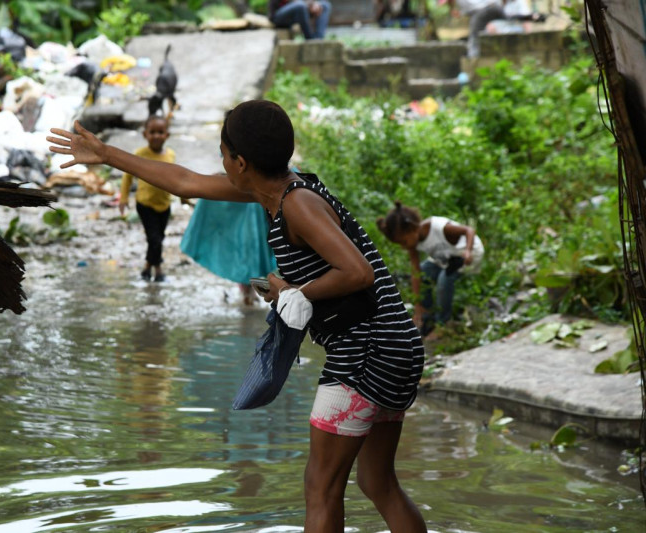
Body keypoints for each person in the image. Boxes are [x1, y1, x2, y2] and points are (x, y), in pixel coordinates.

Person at [48, 99, 426, 532]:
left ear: (241, 162)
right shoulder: (274, 189)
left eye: (223, 154)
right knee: (377, 481)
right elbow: (186, 182)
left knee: (320, 488)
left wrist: (292, 293)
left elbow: (356, 272)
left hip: (368, 354)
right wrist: (108, 154)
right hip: (397, 347)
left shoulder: (297, 204)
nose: (220, 163)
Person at [377, 202, 484, 336]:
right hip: (445, 259)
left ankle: (442, 323)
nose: (404, 247)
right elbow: (416, 272)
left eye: (404, 242)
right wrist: (417, 305)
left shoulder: (438, 227)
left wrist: (468, 251)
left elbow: (469, 230)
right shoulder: (413, 243)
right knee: (424, 272)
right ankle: (427, 316)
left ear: (412, 229)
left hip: (467, 254)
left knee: (444, 281)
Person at [180, 198, 277, 305]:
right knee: (249, 241)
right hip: (247, 201)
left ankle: (247, 291)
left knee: (249, 241)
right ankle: (248, 291)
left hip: (251, 200)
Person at [119, 114, 175, 282]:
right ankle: (157, 269)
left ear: (167, 135)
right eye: (152, 132)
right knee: (154, 238)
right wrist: (123, 198)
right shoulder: (140, 154)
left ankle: (147, 267)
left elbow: (175, 178)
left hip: (164, 203)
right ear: (145, 134)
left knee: (159, 237)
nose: (156, 136)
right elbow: (127, 177)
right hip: (145, 203)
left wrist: (183, 197)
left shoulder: (170, 155)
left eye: (160, 132)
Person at [447, 0, 545, 59]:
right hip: (491, 9)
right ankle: (534, 17)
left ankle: (472, 58)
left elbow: (476, 8)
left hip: (487, 9)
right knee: (508, 17)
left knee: (474, 34)